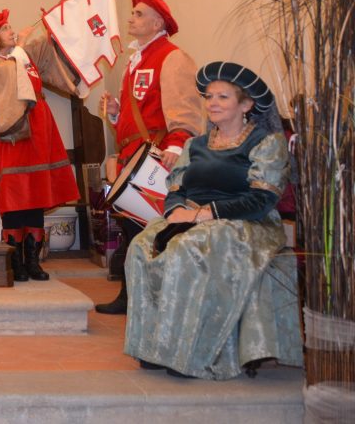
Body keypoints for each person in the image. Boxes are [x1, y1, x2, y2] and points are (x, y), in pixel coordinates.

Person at [124, 61, 303, 379]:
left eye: (222, 97)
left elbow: (262, 200)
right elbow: (176, 189)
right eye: (208, 97)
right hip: (193, 217)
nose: (212, 104)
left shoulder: (266, 143)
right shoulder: (195, 144)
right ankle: (153, 347)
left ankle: (190, 352)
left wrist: (202, 215)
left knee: (191, 247)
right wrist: (175, 214)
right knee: (140, 246)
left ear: (246, 104)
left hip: (248, 224)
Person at [95, 0, 203, 314]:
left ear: (158, 24)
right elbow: (136, 114)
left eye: (139, 14)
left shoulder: (172, 57)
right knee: (131, 231)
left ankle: (158, 300)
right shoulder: (136, 61)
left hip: (157, 158)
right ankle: (132, 297)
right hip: (134, 156)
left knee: (157, 231)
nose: (131, 18)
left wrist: (176, 143)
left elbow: (185, 109)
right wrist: (116, 112)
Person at [0, 10, 89, 282]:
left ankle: (33, 261)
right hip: (11, 134)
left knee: (35, 193)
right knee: (15, 197)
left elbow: (51, 51)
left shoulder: (24, 55)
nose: (12, 31)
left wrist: (60, 20)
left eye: (12, 27)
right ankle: (16, 262)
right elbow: (9, 80)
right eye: (5, 29)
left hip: (39, 130)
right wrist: (21, 47)